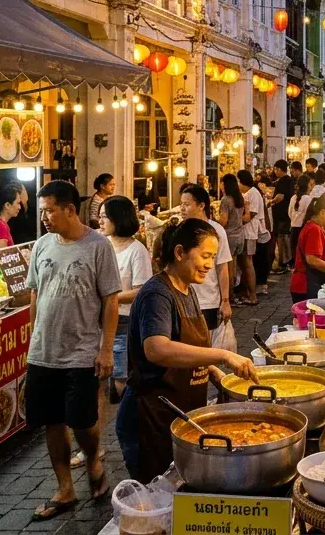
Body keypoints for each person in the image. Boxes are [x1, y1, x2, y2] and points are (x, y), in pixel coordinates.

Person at [118, 219, 258, 482]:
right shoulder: (157, 295)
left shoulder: (187, 290)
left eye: (213, 257)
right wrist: (223, 355)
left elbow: (188, 347)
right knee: (158, 497)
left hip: (179, 413)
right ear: (180, 252)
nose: (209, 264)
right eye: (205, 256)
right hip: (150, 418)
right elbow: (157, 349)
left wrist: (211, 369)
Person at [25, 181, 121, 521]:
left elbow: (110, 300)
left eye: (50, 210)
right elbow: (36, 294)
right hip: (43, 352)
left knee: (82, 421)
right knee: (51, 422)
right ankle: (65, 488)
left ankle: (93, 457)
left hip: (81, 350)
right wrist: (33, 339)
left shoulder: (98, 247)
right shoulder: (41, 246)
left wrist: (105, 349)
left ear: (69, 209)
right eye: (42, 212)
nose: (46, 218)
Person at [100, 196, 150, 402]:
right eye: (100, 217)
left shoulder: (136, 251)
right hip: (99, 321)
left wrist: (111, 298)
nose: (100, 222)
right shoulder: (101, 245)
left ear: (118, 219)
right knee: (101, 376)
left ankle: (126, 419)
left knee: (121, 376)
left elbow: (141, 290)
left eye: (105, 217)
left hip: (124, 322)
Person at [178, 185, 234, 332]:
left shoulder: (216, 231)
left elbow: (222, 268)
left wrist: (225, 300)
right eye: (181, 204)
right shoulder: (180, 231)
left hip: (208, 301)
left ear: (202, 205)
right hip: (182, 300)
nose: (182, 209)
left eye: (187, 204)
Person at [217, 174, 254, 305]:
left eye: (221, 183)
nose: (220, 186)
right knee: (234, 267)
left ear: (225, 184)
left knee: (228, 270)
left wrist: (214, 222)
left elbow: (223, 221)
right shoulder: (239, 199)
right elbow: (245, 218)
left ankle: (230, 297)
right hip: (240, 236)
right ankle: (233, 295)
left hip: (229, 237)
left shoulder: (226, 200)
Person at [238, 170, 270, 297]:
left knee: (248, 262)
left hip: (250, 232)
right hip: (247, 232)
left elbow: (249, 216)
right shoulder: (249, 193)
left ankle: (252, 295)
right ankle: (247, 291)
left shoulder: (253, 194)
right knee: (245, 263)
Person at [271, 160, 295, 272]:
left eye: (276, 169)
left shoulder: (283, 181)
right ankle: (286, 261)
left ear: (280, 169)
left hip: (282, 214)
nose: (275, 171)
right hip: (286, 213)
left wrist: (271, 202)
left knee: (282, 237)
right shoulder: (289, 180)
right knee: (284, 237)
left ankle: (284, 263)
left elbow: (280, 196)